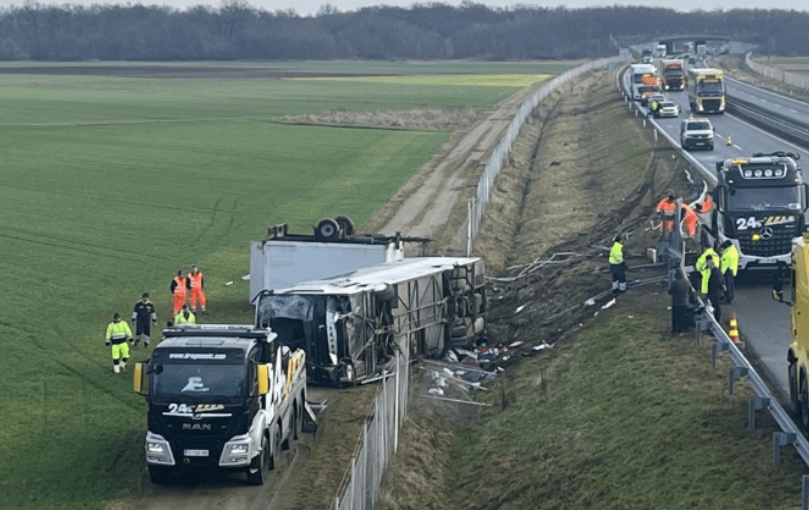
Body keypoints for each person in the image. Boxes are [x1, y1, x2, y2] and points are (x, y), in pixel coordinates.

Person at [706, 258, 726, 322]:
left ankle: (717, 320)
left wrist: (722, 287)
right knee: (716, 307)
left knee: (717, 307)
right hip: (716, 293)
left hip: (716, 293)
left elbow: (719, 281)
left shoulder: (715, 272)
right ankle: (716, 319)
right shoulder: (716, 271)